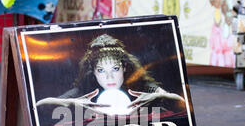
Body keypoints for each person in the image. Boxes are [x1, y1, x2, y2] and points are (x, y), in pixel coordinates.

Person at [36, 33, 185, 116]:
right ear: (93, 72)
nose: (109, 77)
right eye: (101, 70)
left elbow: (182, 103)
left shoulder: (141, 86)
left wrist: (158, 97)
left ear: (125, 67)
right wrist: (70, 102)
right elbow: (39, 106)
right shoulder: (86, 89)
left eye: (115, 69)